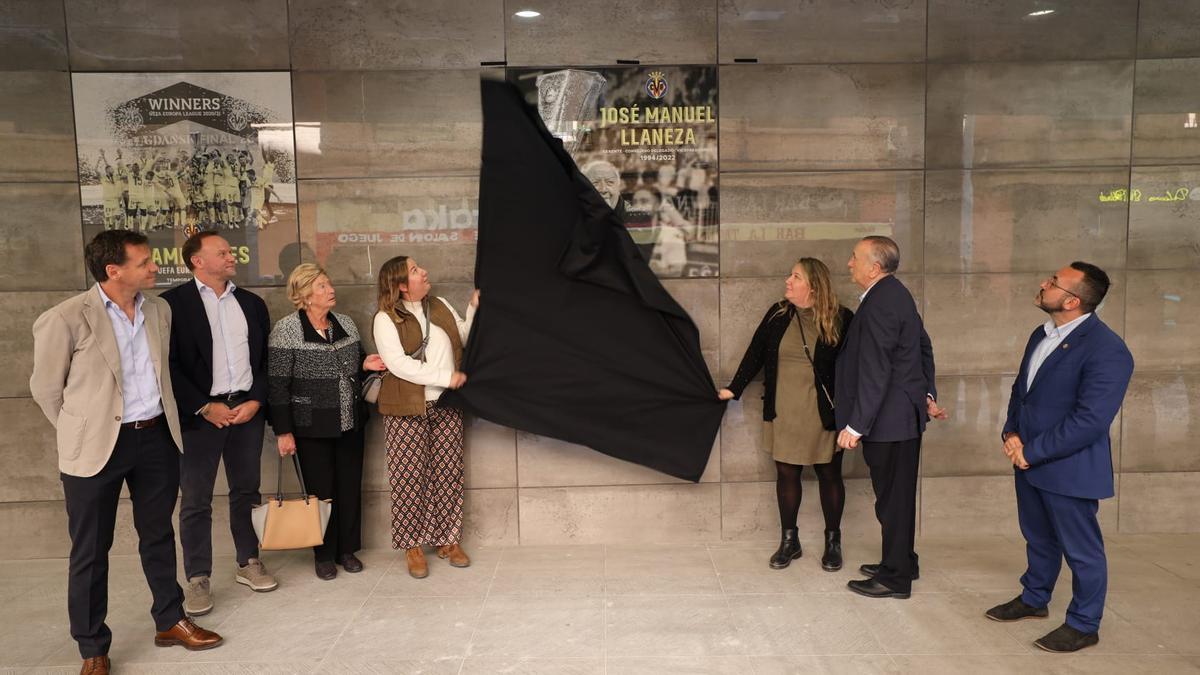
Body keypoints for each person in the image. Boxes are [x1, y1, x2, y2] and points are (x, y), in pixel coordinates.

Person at [30, 230, 222, 675]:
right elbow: (45, 389)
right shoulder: (64, 318)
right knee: (91, 550)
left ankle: (170, 619)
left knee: (157, 535)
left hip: (155, 437)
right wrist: (78, 430)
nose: (155, 268)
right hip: (95, 447)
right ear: (113, 270)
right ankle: (92, 647)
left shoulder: (159, 309)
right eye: (144, 262)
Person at [985, 263, 1133, 653]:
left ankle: (1084, 624)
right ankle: (1034, 598)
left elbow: (1090, 421)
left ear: (1072, 300)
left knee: (1082, 551)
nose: (1043, 283)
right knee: (1038, 538)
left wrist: (1030, 452)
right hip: (1028, 461)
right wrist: (1012, 432)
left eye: (1052, 283)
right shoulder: (1042, 333)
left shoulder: (1108, 350)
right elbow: (1023, 390)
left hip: (1067, 468)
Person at [161, 231, 275, 617]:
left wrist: (256, 400)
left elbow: (263, 362)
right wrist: (202, 407)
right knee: (196, 500)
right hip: (199, 418)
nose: (231, 256)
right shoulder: (171, 305)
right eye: (222, 252)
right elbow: (167, 366)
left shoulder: (251, 304)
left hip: (245, 412)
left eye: (230, 251)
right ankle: (197, 578)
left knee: (247, 491)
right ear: (197, 261)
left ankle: (249, 561)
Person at [721, 258, 854, 571]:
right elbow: (755, 353)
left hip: (823, 412)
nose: (787, 281)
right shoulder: (778, 313)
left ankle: (833, 543)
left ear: (813, 285)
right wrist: (733, 389)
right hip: (783, 410)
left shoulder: (842, 318)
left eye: (795, 276)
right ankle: (789, 542)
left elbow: (857, 367)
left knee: (829, 474)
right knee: (787, 474)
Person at [835, 236, 946, 599]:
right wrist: (926, 394)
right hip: (899, 417)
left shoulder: (883, 301)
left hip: (889, 422)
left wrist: (855, 425)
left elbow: (876, 369)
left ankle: (895, 578)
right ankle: (902, 561)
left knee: (893, 501)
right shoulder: (894, 294)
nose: (849, 263)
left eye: (855, 258)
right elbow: (922, 347)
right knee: (894, 498)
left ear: (874, 267)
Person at [268, 264, 387, 579]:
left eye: (329, 283)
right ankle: (323, 554)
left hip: (350, 420)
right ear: (305, 295)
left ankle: (346, 550)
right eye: (321, 286)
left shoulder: (344, 323)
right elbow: (277, 384)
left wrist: (366, 362)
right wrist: (283, 431)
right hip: (311, 425)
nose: (330, 289)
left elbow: (354, 365)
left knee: (349, 487)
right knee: (321, 491)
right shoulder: (287, 329)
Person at [372, 256, 477, 579]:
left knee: (448, 474)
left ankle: (448, 541)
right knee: (409, 479)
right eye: (416, 271)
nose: (424, 272)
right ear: (401, 285)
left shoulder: (440, 304)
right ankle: (412, 546)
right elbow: (399, 365)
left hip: (445, 405)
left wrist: (474, 308)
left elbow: (461, 336)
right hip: (407, 409)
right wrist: (447, 378)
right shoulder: (385, 318)